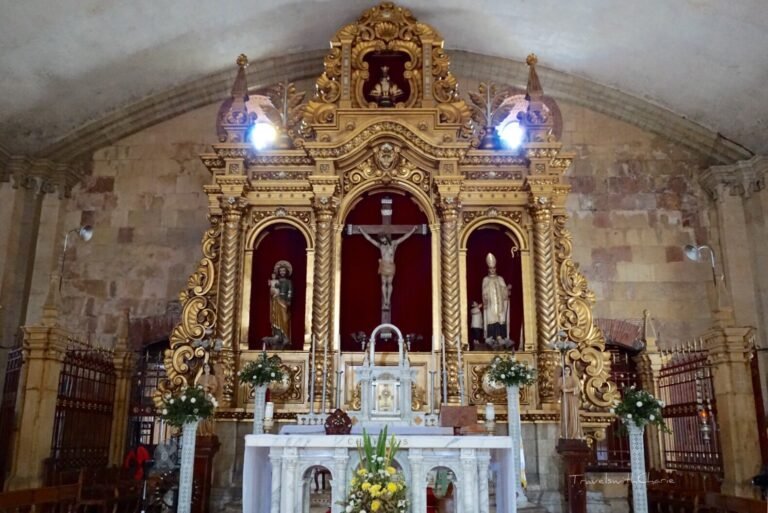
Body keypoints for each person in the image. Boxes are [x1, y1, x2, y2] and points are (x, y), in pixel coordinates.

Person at [358, 226, 417, 310]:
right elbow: (369, 239)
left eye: (383, 239)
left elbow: (404, 237)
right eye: (381, 240)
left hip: (391, 265)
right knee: (383, 283)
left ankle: (388, 300)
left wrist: (413, 230)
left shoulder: (394, 243)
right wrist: (361, 230)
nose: (383, 241)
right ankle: (385, 300)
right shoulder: (380, 246)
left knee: (389, 283)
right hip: (383, 265)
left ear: (386, 237)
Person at [482, 253, 509, 342]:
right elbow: (484, 291)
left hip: (500, 304)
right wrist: (485, 297)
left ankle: (501, 336)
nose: (492, 270)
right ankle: (492, 337)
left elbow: (504, 291)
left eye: (494, 268)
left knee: (500, 318)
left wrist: (506, 290)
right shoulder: (486, 279)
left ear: (496, 268)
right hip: (491, 304)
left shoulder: (500, 279)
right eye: (491, 268)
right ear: (488, 269)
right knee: (492, 319)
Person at [269, 261, 293, 346]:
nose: (282, 272)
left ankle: (285, 336)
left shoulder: (288, 282)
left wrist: (289, 300)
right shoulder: (276, 281)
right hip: (276, 300)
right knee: (276, 318)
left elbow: (290, 291)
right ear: (278, 272)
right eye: (281, 271)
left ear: (286, 272)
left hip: (284, 301)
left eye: (284, 271)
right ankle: (277, 335)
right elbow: (272, 290)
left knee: (284, 319)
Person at [556, 365, 583, 439]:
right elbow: (559, 388)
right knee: (565, 414)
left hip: (572, 399)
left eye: (568, 369)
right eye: (565, 370)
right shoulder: (561, 379)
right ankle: (565, 433)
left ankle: (574, 432)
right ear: (563, 371)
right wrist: (562, 389)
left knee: (572, 414)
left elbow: (577, 388)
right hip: (564, 399)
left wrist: (567, 390)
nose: (567, 371)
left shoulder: (573, 378)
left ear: (570, 371)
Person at [196, 362, 221, 436]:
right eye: (205, 368)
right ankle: (201, 432)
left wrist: (209, 387)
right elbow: (197, 386)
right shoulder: (201, 377)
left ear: (210, 368)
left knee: (209, 415)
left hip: (209, 398)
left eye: (208, 367)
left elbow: (215, 387)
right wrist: (202, 388)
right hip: (202, 398)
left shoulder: (212, 377)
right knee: (201, 415)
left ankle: (209, 431)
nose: (206, 369)